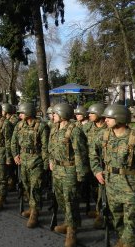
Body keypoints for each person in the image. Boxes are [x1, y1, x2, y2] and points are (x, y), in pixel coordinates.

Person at [90, 105, 135, 247]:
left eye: (109, 117)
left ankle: (130, 243)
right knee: (116, 218)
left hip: (130, 186)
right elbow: (92, 152)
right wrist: (96, 170)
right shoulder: (104, 135)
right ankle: (123, 240)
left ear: (119, 118)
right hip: (111, 185)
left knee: (133, 221)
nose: (105, 120)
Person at [48, 103, 89, 247]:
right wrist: (51, 160)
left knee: (70, 200)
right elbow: (50, 147)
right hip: (57, 169)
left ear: (62, 114)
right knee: (60, 199)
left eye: (54, 114)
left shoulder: (74, 131)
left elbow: (80, 153)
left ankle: (72, 231)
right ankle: (67, 222)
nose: (52, 116)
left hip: (70, 170)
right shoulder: (54, 128)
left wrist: (81, 174)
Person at [11, 102, 49, 228]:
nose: (20, 115)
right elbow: (13, 142)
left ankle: (35, 212)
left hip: (36, 161)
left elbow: (45, 147)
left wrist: (45, 164)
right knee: (26, 185)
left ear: (28, 113)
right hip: (23, 160)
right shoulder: (19, 125)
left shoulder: (41, 126)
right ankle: (31, 206)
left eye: (22, 113)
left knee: (35, 187)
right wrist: (15, 155)